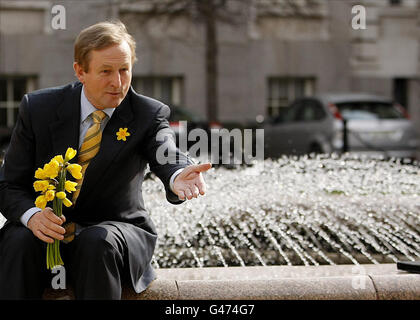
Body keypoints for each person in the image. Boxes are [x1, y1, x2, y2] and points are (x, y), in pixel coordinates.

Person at [0, 20, 211, 300]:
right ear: (80, 71)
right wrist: (33, 216)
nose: (118, 82)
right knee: (18, 240)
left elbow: (165, 150)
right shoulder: (38, 108)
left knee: (96, 241)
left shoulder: (148, 114)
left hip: (116, 233)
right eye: (106, 71)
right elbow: (8, 185)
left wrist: (177, 174)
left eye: (125, 70)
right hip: (47, 232)